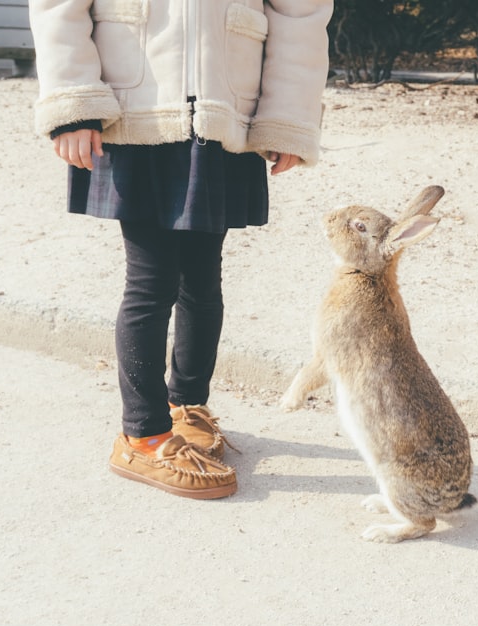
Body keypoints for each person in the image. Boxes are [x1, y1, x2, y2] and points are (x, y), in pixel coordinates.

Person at [28, 1, 333, 499]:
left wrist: (288, 116)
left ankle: (186, 407)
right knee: (151, 282)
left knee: (202, 281)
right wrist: (72, 101)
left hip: (221, 110)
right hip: (138, 107)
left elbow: (300, 13)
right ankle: (143, 434)